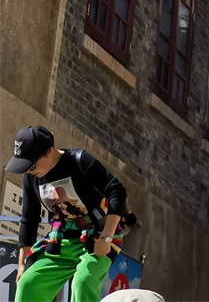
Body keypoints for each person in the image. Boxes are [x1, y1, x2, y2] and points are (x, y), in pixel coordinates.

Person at [7, 126, 127, 302]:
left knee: (83, 281)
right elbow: (29, 219)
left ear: (49, 151)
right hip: (60, 240)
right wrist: (21, 265)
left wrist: (106, 238)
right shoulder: (31, 178)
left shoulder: (79, 160)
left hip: (98, 236)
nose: (29, 171)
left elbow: (117, 191)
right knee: (28, 283)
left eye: (31, 165)